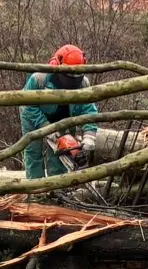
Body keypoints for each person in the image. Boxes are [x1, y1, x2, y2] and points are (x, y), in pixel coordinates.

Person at [20, 44, 99, 179]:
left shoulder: (83, 83)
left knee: (61, 154)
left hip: (63, 118)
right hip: (35, 115)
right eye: (69, 76)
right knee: (33, 151)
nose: (73, 80)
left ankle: (57, 187)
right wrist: (45, 126)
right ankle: (36, 188)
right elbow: (28, 105)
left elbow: (88, 109)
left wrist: (89, 135)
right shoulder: (39, 79)